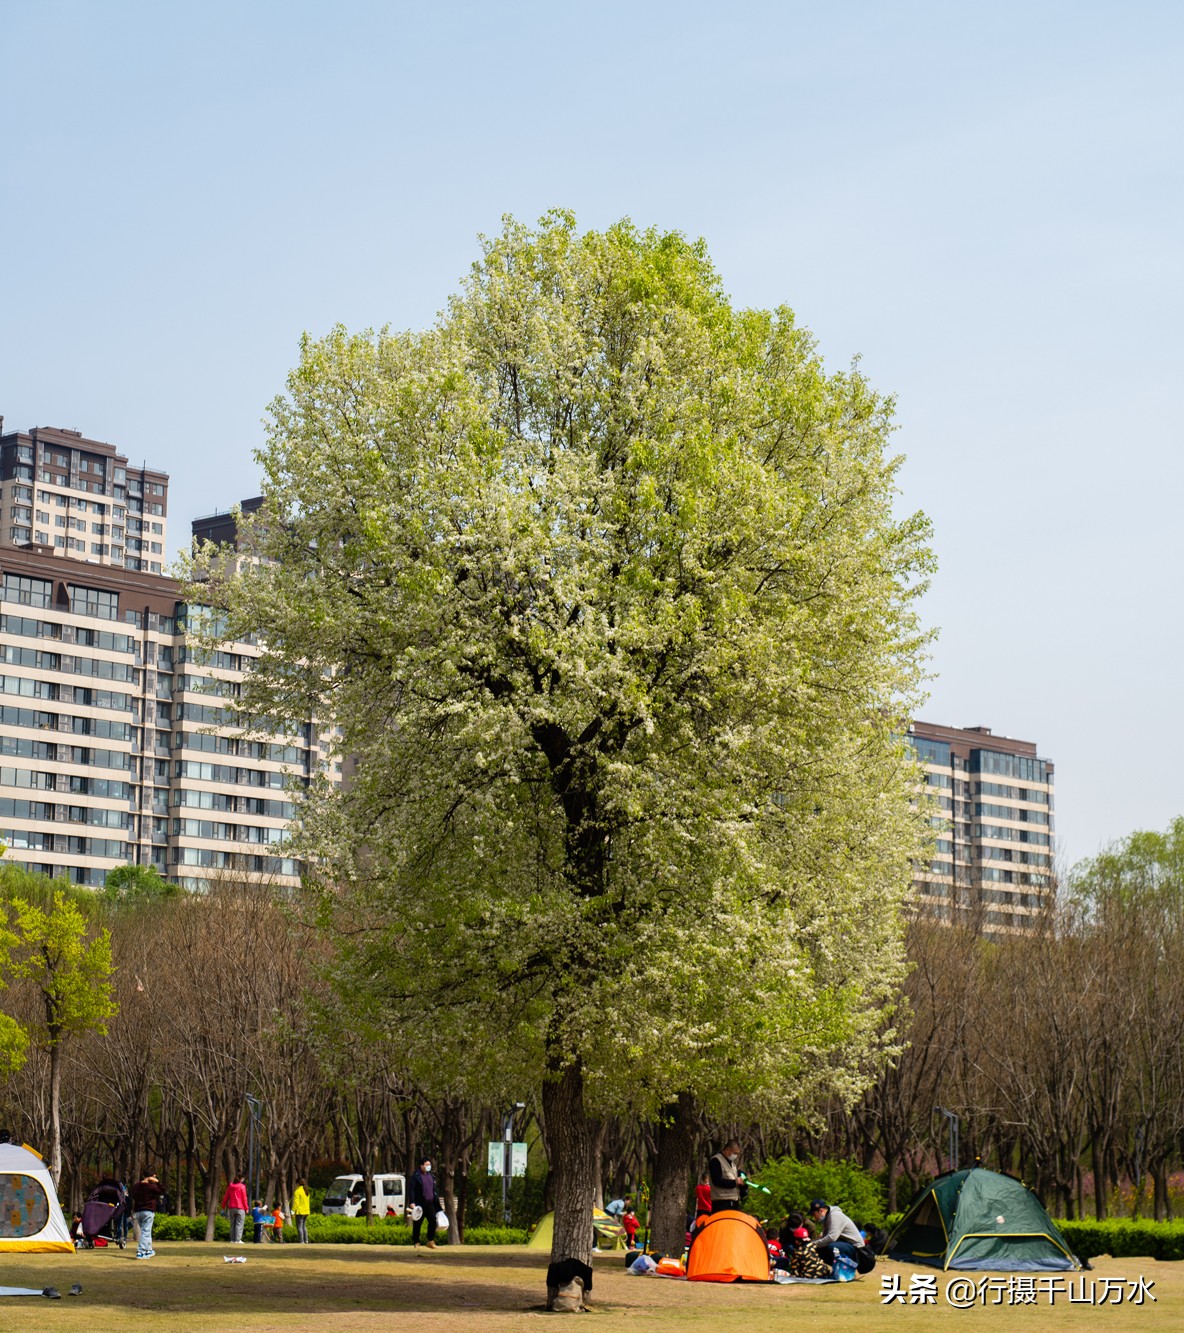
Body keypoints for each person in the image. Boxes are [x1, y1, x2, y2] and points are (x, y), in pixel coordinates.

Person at [810, 1199, 866, 1268]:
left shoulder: (835, 1215)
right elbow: (825, 1236)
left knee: (831, 1248)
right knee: (819, 1250)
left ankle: (850, 1267)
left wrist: (812, 1244)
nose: (814, 1217)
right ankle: (838, 1269)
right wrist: (813, 1244)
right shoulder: (826, 1218)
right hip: (845, 1244)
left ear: (821, 1210)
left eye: (814, 1214)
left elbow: (832, 1238)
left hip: (856, 1248)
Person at [408, 1157, 440, 1250]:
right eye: (426, 1164)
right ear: (421, 1165)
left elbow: (434, 1190)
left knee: (433, 1221)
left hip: (430, 1204)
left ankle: (430, 1241)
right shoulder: (416, 1176)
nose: (428, 1166)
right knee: (418, 1223)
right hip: (420, 1204)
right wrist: (412, 1202)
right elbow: (412, 1190)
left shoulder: (431, 1176)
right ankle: (416, 1242)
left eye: (429, 1164)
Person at [131, 1171, 164, 1259]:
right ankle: (141, 1251)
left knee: (146, 1231)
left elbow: (133, 1195)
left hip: (138, 1211)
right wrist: (157, 1182)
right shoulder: (151, 1187)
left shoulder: (137, 1186)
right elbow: (162, 1191)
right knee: (146, 1232)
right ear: (152, 1176)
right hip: (148, 1211)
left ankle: (148, 1250)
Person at [708, 1141, 747, 1213]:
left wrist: (742, 1182)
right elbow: (716, 1181)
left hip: (734, 1200)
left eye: (737, 1154)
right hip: (721, 1201)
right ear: (727, 1150)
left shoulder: (732, 1163)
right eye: (734, 1153)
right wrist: (734, 1182)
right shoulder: (716, 1161)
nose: (735, 1156)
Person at [222, 1172, 249, 1245]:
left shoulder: (230, 1186)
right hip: (240, 1208)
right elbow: (244, 1198)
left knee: (232, 1224)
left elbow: (226, 1196)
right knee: (239, 1224)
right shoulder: (242, 1187)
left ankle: (232, 1239)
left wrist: (223, 1206)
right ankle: (238, 1240)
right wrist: (246, 1208)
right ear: (241, 1179)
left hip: (232, 1207)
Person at [292, 1178, 311, 1244]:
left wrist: (292, 1211)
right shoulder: (306, 1191)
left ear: (297, 1183)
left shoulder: (297, 1191)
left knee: (299, 1227)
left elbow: (296, 1203)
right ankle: (306, 1240)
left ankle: (301, 1241)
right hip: (306, 1211)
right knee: (304, 1226)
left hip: (300, 1212)